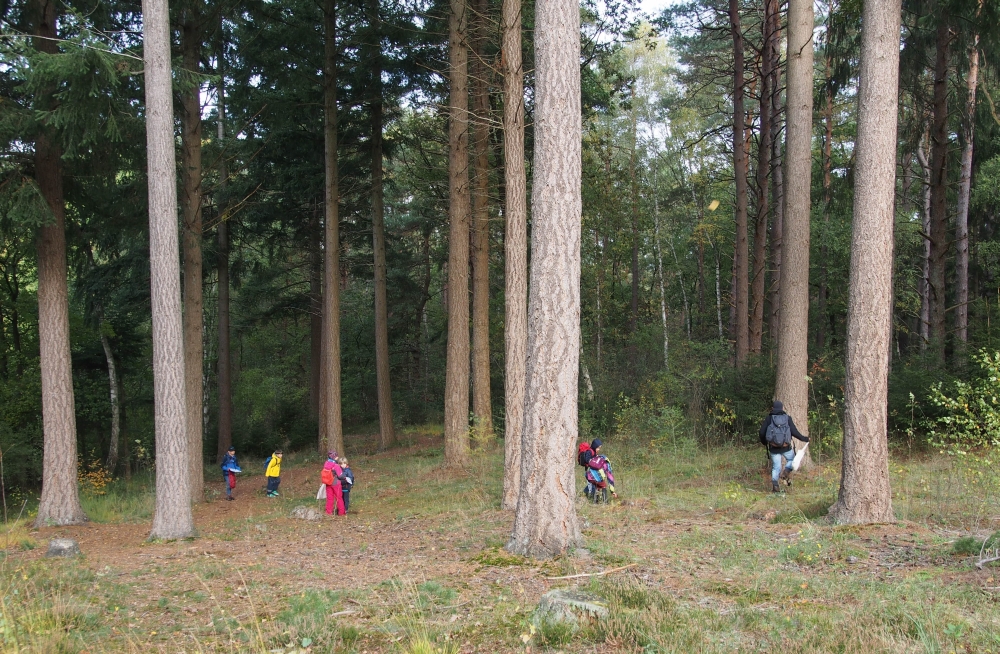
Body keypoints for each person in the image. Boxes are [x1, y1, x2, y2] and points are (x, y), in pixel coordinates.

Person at [759, 400, 808, 493]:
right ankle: (786, 472)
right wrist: (804, 439)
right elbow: (794, 432)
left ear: (772, 408)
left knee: (776, 467)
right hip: (786, 447)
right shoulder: (787, 418)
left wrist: (764, 442)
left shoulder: (769, 418)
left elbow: (762, 432)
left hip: (774, 448)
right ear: (782, 408)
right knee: (792, 460)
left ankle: (775, 487)